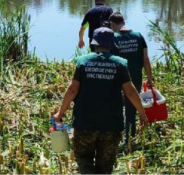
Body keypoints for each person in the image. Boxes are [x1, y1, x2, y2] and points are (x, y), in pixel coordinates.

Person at [54, 27, 148, 174]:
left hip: (85, 123)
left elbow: (72, 90)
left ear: (93, 43)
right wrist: (142, 113)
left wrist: (60, 113)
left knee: (84, 160)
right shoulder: (119, 64)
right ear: (111, 45)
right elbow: (130, 92)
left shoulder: (83, 62)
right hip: (111, 125)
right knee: (105, 167)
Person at [109, 12, 153, 152]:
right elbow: (146, 59)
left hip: (118, 81)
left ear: (112, 24)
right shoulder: (139, 36)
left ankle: (115, 136)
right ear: (123, 21)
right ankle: (130, 137)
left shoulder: (113, 37)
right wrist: (150, 79)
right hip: (135, 79)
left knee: (115, 107)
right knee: (131, 108)